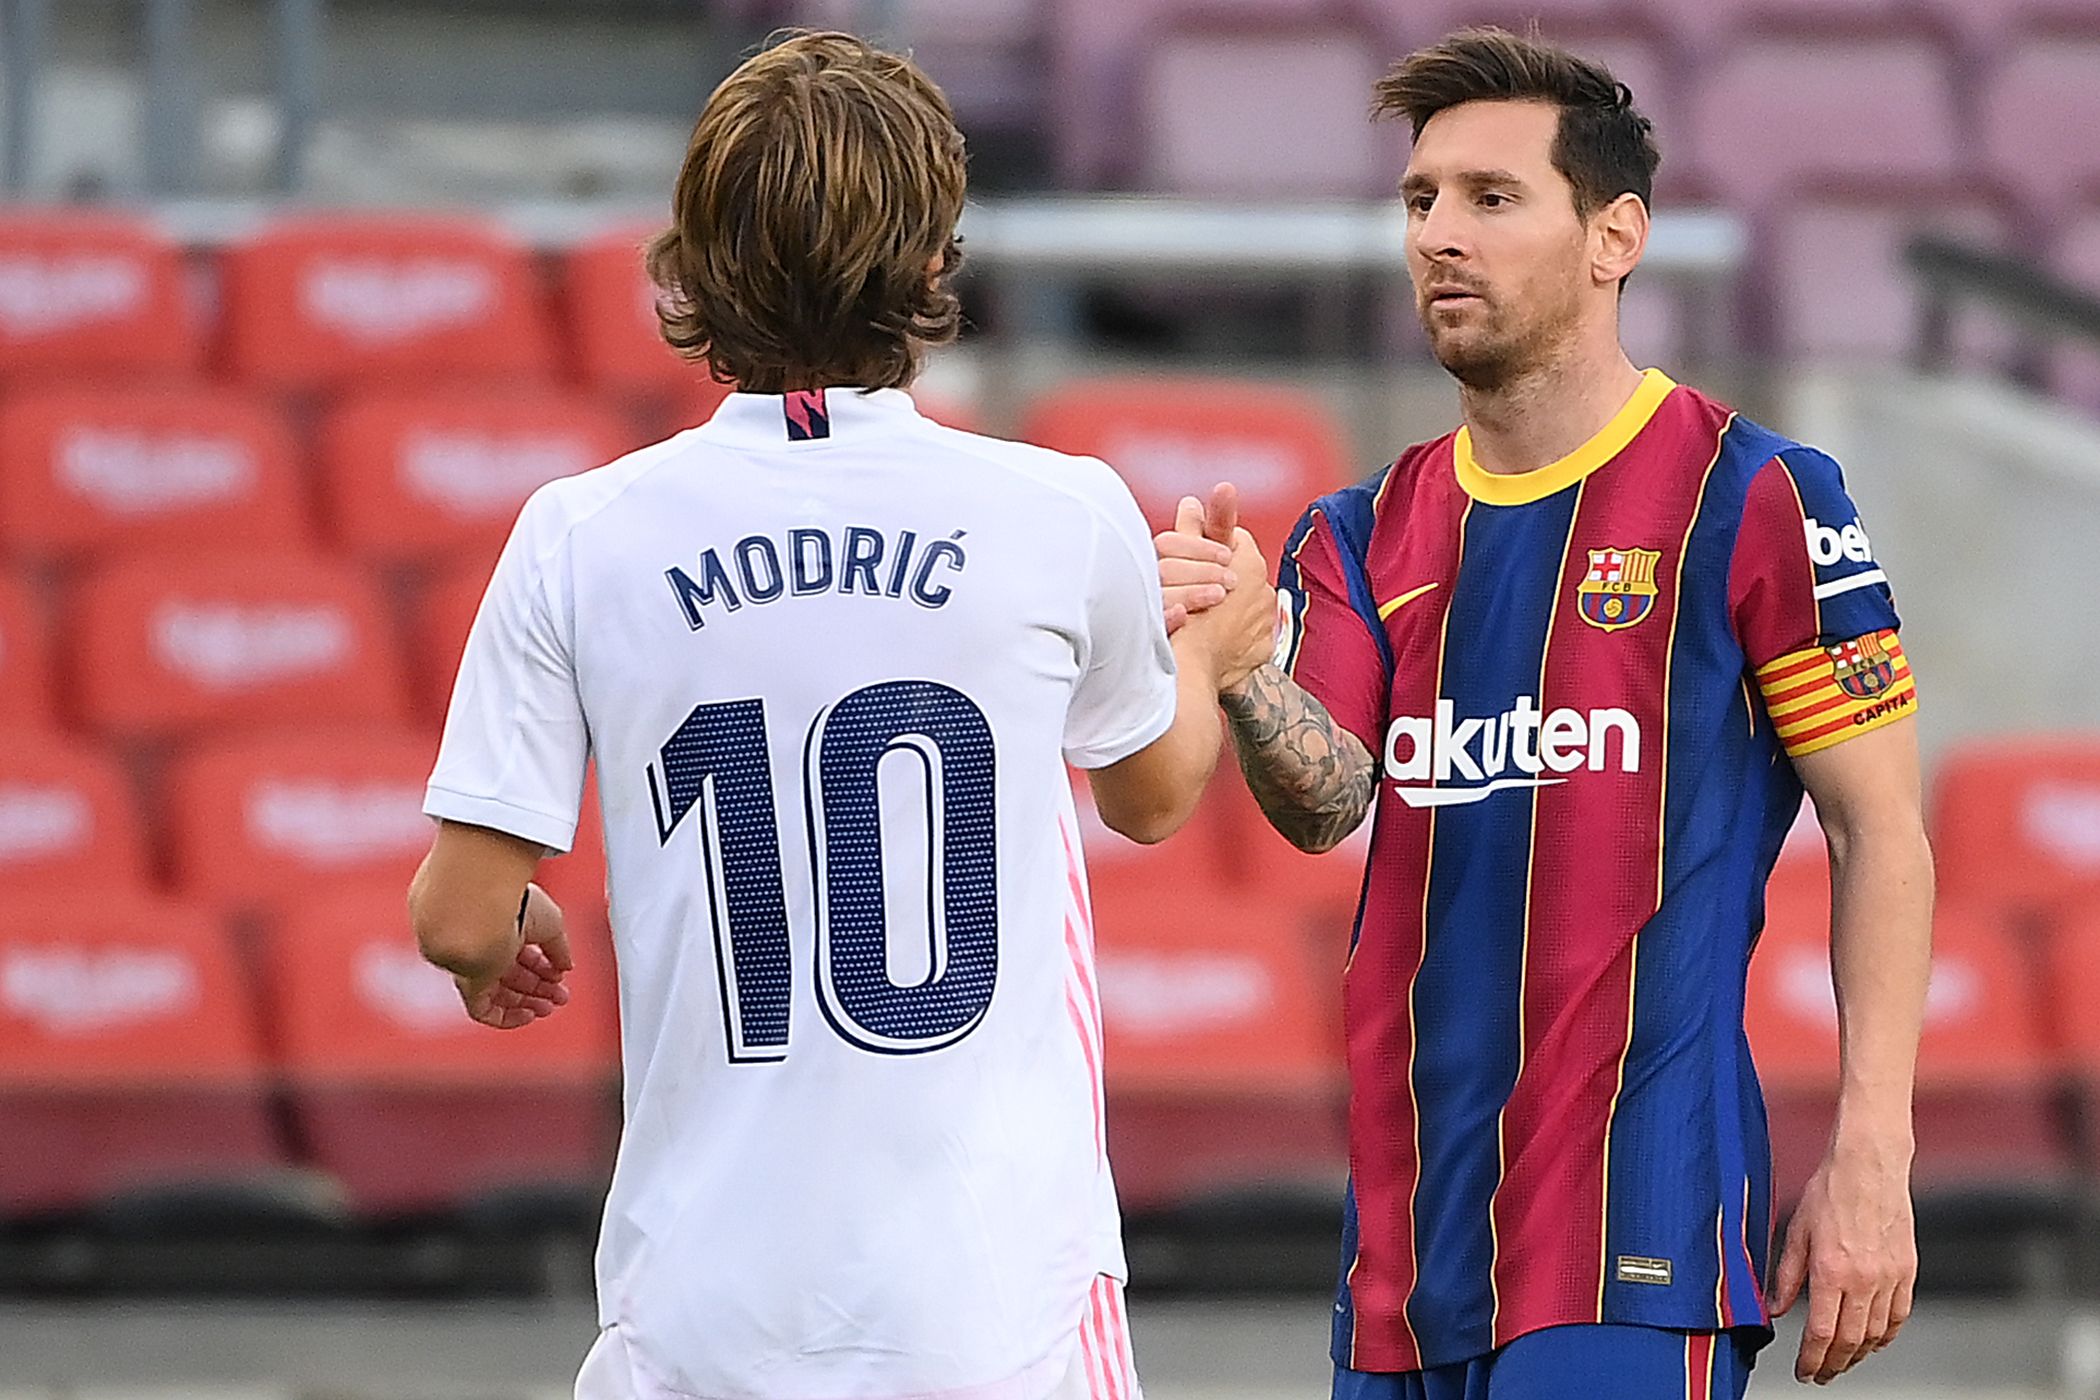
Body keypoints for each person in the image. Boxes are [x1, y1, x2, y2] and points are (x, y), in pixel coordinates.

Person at [405, 31, 1271, 1400]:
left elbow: (457, 919)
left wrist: (504, 940)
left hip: (697, 1314)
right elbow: (1150, 796)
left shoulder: (582, 532)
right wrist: (1218, 649)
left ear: (689, 270)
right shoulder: (1059, 510)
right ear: (935, 267)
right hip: (995, 1311)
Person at [1158, 28, 1932, 1400]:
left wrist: (1872, 1153)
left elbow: (1881, 832)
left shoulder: (1757, 498)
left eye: (1491, 198)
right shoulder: (1356, 531)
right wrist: (1235, 664)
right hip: (1402, 1263)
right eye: (1420, 201)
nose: (1440, 236)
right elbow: (1327, 800)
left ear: (1613, 235)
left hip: (1636, 1240)